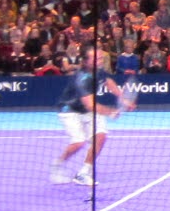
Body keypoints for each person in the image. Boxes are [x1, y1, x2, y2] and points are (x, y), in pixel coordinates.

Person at [52, 45, 124, 186]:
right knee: (79, 142)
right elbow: (90, 105)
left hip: (87, 110)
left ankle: (83, 173)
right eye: (96, 58)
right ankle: (57, 165)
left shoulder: (99, 70)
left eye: (101, 58)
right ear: (86, 61)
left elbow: (108, 82)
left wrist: (122, 97)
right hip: (70, 111)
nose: (100, 61)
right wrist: (111, 112)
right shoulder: (82, 79)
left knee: (101, 136)